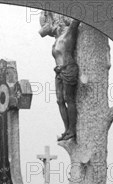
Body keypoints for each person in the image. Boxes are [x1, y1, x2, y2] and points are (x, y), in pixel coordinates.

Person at [39, 12, 80, 141]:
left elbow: (76, 20)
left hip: (68, 69)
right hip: (58, 72)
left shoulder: (69, 34)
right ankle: (66, 129)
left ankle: (72, 130)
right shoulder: (56, 40)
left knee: (69, 99)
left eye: (56, 25)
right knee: (60, 101)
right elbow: (45, 27)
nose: (54, 27)